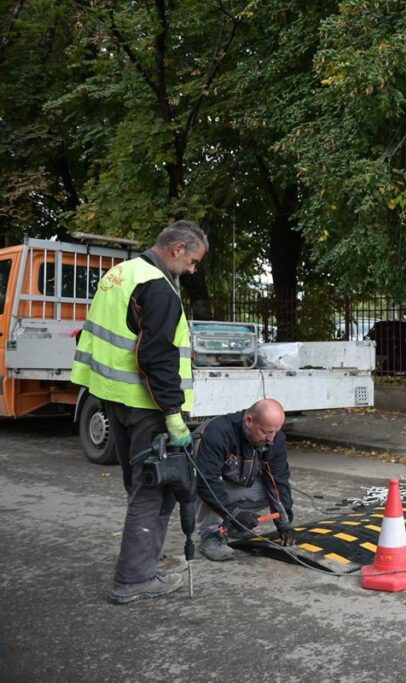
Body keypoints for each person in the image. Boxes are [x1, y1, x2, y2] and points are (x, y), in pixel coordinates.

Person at [71, 219, 208, 604]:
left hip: (113, 397)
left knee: (142, 486)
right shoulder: (157, 287)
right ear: (178, 248)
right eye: (193, 261)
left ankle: (146, 560)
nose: (192, 270)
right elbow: (157, 357)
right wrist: (173, 413)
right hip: (146, 405)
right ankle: (134, 580)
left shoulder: (119, 274)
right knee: (154, 490)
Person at [194, 398, 296, 561]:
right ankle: (211, 535)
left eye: (275, 432)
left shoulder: (275, 438)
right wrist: (234, 513)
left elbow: (278, 480)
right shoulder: (217, 433)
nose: (271, 438)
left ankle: (233, 527)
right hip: (202, 484)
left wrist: (284, 521)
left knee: (271, 492)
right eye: (266, 432)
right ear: (249, 421)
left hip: (234, 483)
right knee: (203, 484)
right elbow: (206, 481)